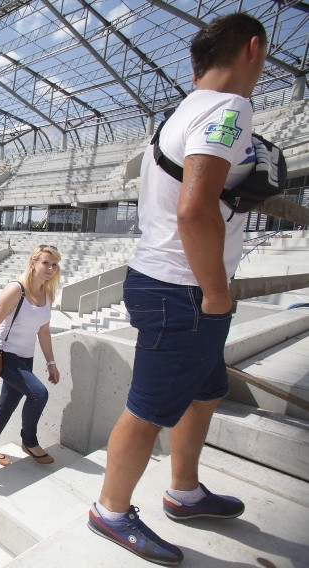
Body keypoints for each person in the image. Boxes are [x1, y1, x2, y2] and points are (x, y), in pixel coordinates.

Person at [89, 14, 267, 566]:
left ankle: (184, 492)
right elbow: (194, 210)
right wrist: (216, 293)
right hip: (185, 289)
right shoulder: (230, 108)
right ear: (254, 49)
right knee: (146, 410)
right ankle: (110, 511)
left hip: (160, 279)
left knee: (205, 387)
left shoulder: (181, 112)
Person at [0, 244, 61, 467]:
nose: (50, 268)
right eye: (45, 263)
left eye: (54, 264)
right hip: (4, 354)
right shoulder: (16, 289)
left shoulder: (47, 294)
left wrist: (51, 362)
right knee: (39, 394)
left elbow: (43, 331)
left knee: (8, 403)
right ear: (33, 263)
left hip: (26, 356)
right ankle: (29, 441)